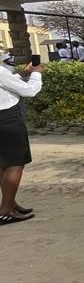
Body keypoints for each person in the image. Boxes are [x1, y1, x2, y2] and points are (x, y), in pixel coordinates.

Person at [0, 56, 43, 225]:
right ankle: (6, 210)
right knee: (15, 163)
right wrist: (36, 74)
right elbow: (29, 91)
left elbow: (5, 86)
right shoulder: (1, 71)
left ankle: (9, 203)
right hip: (6, 118)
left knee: (3, 162)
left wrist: (21, 74)